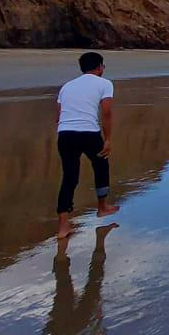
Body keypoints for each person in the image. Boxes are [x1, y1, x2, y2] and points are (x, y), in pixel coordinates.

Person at [55, 52, 120, 239]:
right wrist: (107, 139)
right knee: (101, 165)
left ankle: (63, 227)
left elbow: (58, 117)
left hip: (65, 134)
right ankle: (102, 207)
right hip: (89, 133)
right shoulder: (104, 83)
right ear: (100, 67)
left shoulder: (67, 86)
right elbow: (106, 112)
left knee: (69, 177)